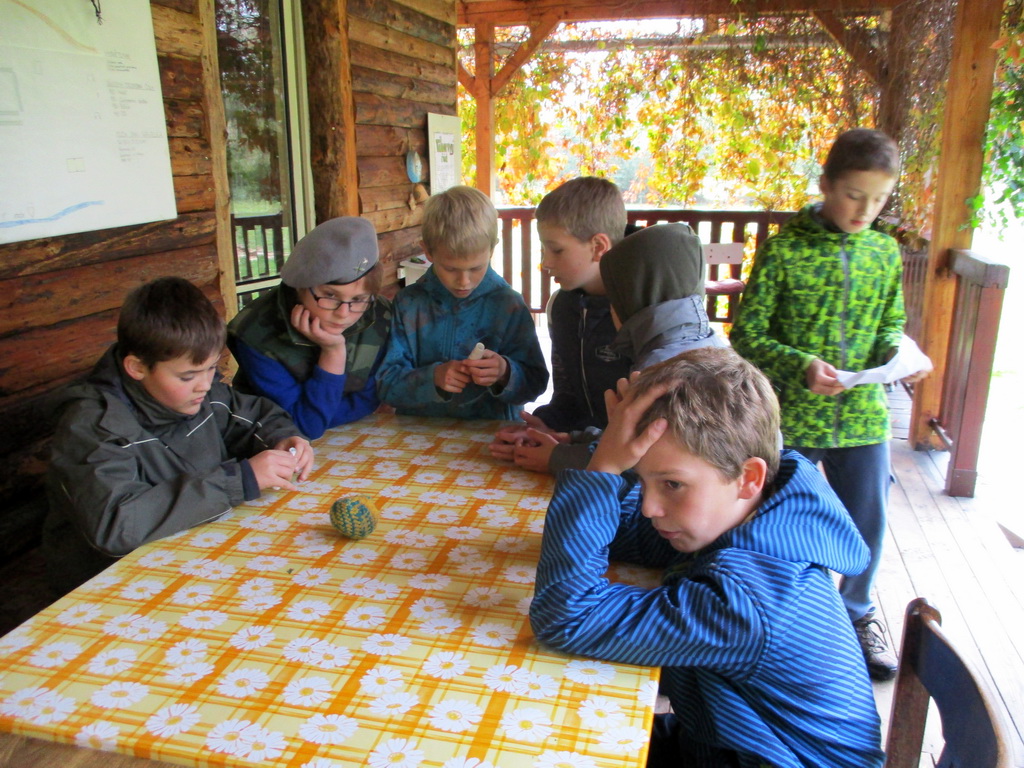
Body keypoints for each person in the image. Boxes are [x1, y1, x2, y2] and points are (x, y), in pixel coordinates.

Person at [530, 348, 884, 768]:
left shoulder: (748, 599)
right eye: (643, 480)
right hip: (720, 741)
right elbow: (631, 536)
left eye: (672, 485)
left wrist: (604, 469)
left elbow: (567, 617)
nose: (650, 507)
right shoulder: (752, 511)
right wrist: (616, 459)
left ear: (748, 478)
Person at [730, 128, 914, 681]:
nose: (865, 210)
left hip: (863, 418)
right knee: (780, 521)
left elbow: (891, 322)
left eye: (879, 199)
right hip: (792, 417)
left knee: (867, 521)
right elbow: (747, 335)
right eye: (854, 195)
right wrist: (801, 365)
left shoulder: (884, 252)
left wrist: (896, 352)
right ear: (827, 185)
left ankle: (857, 614)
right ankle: (781, 621)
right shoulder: (784, 250)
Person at [44, 277, 313, 595]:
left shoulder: (200, 393)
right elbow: (116, 524)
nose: (205, 384)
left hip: (193, 560)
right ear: (137, 368)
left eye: (211, 368)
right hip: (109, 588)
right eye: (188, 376)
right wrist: (239, 481)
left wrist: (283, 438)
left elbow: (254, 417)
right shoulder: (92, 426)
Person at [506, 222, 723, 473]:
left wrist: (558, 458)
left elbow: (640, 463)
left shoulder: (655, 372)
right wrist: (574, 441)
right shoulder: (709, 346)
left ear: (627, 303)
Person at [489, 177, 633, 472]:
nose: (546, 263)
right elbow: (567, 396)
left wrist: (565, 452)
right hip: (578, 456)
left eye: (556, 250)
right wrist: (544, 427)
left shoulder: (639, 312)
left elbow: (646, 436)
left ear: (598, 246)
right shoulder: (562, 307)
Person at [376, 185, 548, 419]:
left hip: (491, 435)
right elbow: (386, 385)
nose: (464, 282)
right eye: (450, 269)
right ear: (428, 252)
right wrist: (432, 378)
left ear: (491, 250)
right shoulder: (409, 304)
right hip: (421, 435)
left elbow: (536, 384)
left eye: (476, 268)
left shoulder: (508, 305)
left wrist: (505, 372)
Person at [227, 216, 391, 439]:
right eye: (330, 295)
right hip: (268, 443)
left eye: (358, 299)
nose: (343, 313)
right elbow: (305, 426)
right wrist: (333, 352)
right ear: (300, 286)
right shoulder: (255, 333)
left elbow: (370, 398)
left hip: (355, 435)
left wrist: (322, 416)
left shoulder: (380, 315)